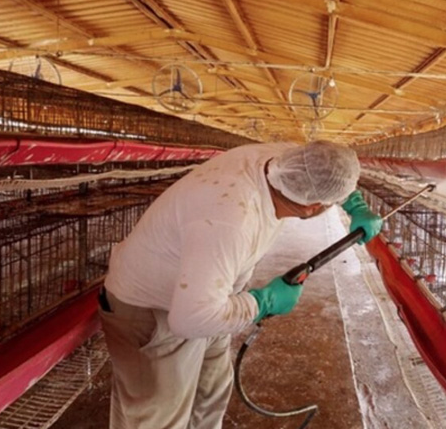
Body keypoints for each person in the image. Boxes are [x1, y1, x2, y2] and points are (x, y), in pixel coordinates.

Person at [98, 140, 383, 429]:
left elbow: (324, 165)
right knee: (158, 417)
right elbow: (190, 319)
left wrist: (356, 205)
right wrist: (262, 302)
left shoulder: (281, 160)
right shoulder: (232, 220)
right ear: (312, 208)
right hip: (152, 309)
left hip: (207, 295)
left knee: (211, 392)